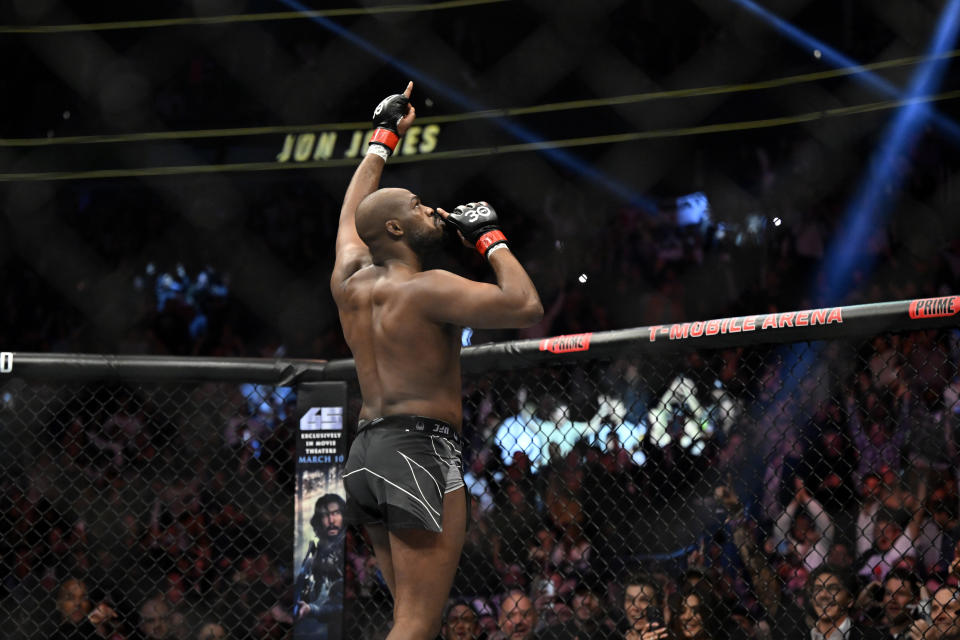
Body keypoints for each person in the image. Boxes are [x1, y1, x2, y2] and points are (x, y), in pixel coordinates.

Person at [332, 81, 543, 640]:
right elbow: (525, 304)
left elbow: (352, 219)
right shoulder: (428, 288)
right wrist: (490, 239)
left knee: (408, 617)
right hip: (420, 448)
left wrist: (382, 140)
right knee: (418, 626)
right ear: (396, 229)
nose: (434, 211)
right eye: (420, 207)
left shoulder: (350, 283)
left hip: (367, 452)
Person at [295, 493, 346, 637]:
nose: (331, 520)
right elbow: (314, 592)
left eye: (335, 513)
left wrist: (312, 610)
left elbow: (339, 605)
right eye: (325, 515)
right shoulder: (321, 551)